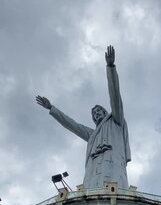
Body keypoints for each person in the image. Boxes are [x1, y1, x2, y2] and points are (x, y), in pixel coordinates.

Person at [36, 45, 131, 189]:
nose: (96, 114)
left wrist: (110, 67)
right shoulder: (92, 135)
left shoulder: (116, 121)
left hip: (114, 164)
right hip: (93, 169)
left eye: (99, 111)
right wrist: (52, 108)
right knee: (92, 191)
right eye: (94, 113)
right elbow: (71, 125)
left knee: (117, 190)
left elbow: (115, 96)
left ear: (106, 112)